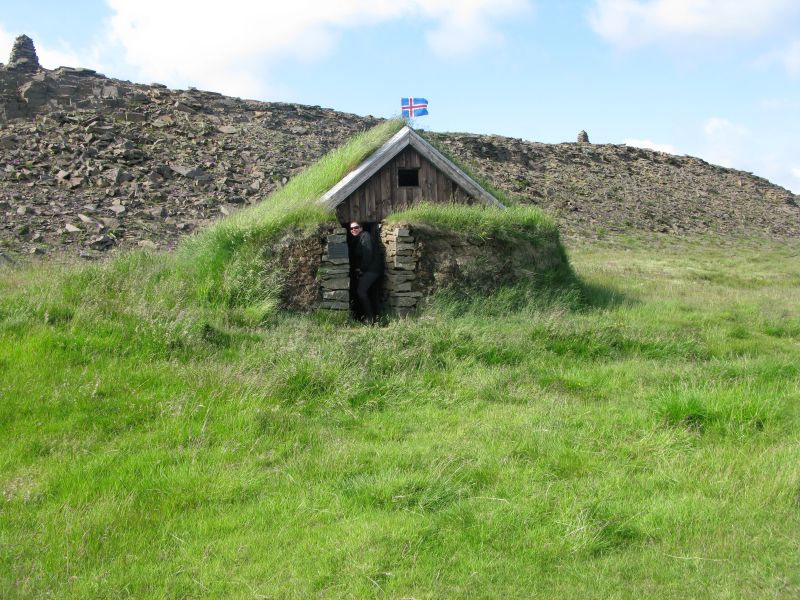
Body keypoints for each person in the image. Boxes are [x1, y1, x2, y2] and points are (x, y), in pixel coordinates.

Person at [349, 221, 383, 324]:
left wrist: (361, 269)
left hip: (372, 269)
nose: (354, 230)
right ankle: (366, 316)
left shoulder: (365, 236)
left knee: (361, 291)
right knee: (365, 292)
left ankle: (370, 318)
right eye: (351, 229)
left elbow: (367, 254)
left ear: (361, 228)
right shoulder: (357, 238)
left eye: (356, 227)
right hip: (368, 270)